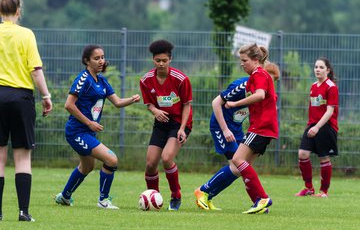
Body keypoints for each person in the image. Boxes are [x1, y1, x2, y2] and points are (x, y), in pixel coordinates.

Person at [54, 45, 140, 209]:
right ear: (87, 61)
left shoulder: (101, 80)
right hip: (77, 132)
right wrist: (89, 123)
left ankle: (64, 197)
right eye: (96, 58)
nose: (101, 61)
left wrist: (132, 99)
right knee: (111, 159)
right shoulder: (83, 79)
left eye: (102, 57)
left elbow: (117, 102)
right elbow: (69, 105)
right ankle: (103, 200)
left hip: (87, 132)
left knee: (87, 167)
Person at [194, 60, 280, 211]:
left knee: (240, 167)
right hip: (221, 127)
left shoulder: (265, 92)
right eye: (269, 79)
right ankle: (204, 192)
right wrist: (225, 129)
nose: (269, 85)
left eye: (274, 82)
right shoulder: (243, 86)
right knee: (237, 164)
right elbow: (216, 103)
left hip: (237, 129)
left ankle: (207, 193)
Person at [0, 0, 53, 222]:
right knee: (22, 158)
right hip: (21, 99)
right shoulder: (26, 34)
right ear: (18, 11)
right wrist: (46, 96)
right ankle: (23, 212)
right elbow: (35, 70)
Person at [139, 39, 193, 211]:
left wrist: (183, 129)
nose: (161, 63)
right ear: (153, 60)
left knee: (167, 158)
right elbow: (149, 104)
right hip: (161, 123)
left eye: (164, 60)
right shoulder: (146, 80)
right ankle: (152, 197)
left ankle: (176, 195)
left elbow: (186, 105)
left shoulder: (181, 79)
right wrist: (155, 111)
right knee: (150, 163)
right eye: (158, 60)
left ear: (170, 59)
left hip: (179, 122)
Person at [295, 57, 338, 198]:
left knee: (324, 158)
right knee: (302, 154)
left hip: (326, 127)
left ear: (328, 70)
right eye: (316, 67)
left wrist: (318, 127)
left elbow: (329, 111)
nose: (317, 70)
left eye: (321, 67)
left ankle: (323, 192)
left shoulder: (331, 87)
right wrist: (312, 126)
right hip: (312, 125)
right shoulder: (313, 86)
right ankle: (308, 188)